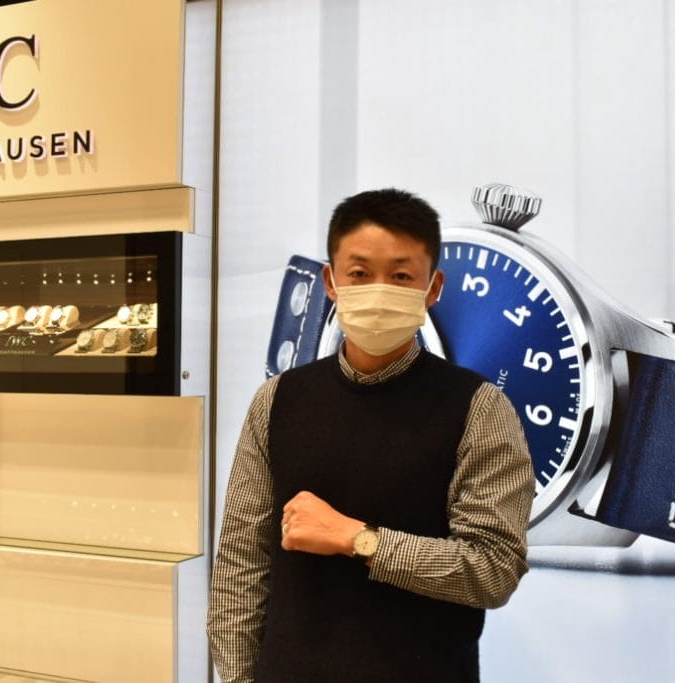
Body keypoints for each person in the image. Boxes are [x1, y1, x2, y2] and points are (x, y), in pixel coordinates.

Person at [207, 188, 534, 682]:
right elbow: (241, 564)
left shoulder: (479, 409)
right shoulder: (278, 399)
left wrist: (358, 540)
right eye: (359, 274)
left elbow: (493, 569)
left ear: (433, 287)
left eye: (401, 276)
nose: (379, 292)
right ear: (331, 282)